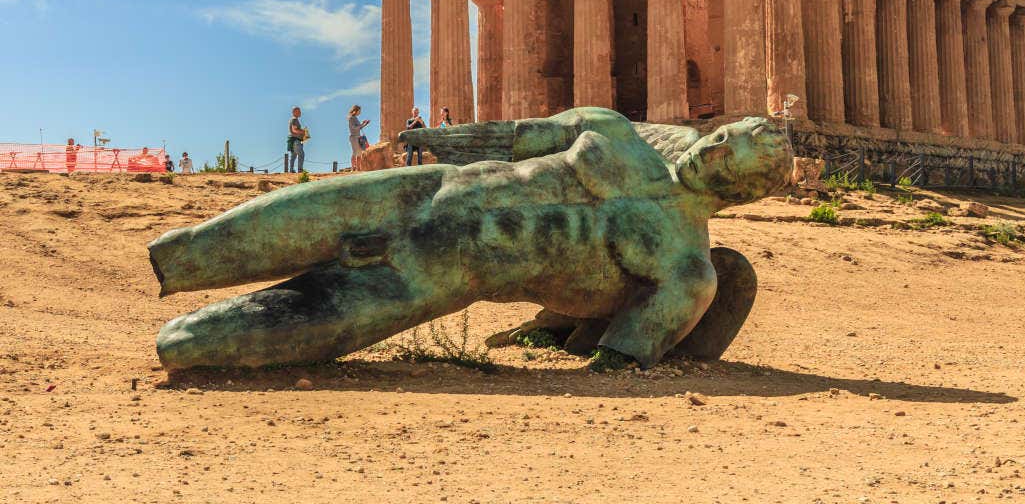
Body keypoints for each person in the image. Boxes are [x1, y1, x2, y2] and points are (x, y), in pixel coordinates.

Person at [150, 108, 793, 372]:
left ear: (745, 189)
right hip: (430, 189)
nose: (714, 146)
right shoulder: (614, 130)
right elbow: (513, 138)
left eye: (732, 155)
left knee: (185, 344)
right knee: (191, 249)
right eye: (725, 134)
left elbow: (619, 357)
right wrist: (425, 142)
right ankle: (175, 265)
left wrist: (582, 342)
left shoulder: (687, 268)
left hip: (436, 277)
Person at [347, 105, 371, 171]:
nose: (360, 112)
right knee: (355, 152)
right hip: (354, 137)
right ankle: (352, 168)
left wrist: (365, 124)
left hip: (358, 137)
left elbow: (359, 127)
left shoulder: (355, 118)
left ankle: (358, 168)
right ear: (355, 111)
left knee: (359, 153)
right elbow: (354, 128)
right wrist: (362, 124)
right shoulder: (351, 118)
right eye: (359, 111)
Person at [287, 107, 306, 173]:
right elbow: (294, 130)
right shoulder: (294, 119)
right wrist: (303, 131)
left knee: (293, 156)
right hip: (296, 141)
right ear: (294, 112)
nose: (300, 112)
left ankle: (291, 170)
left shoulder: (293, 119)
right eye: (298, 111)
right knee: (301, 154)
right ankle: (300, 170)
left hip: (293, 141)